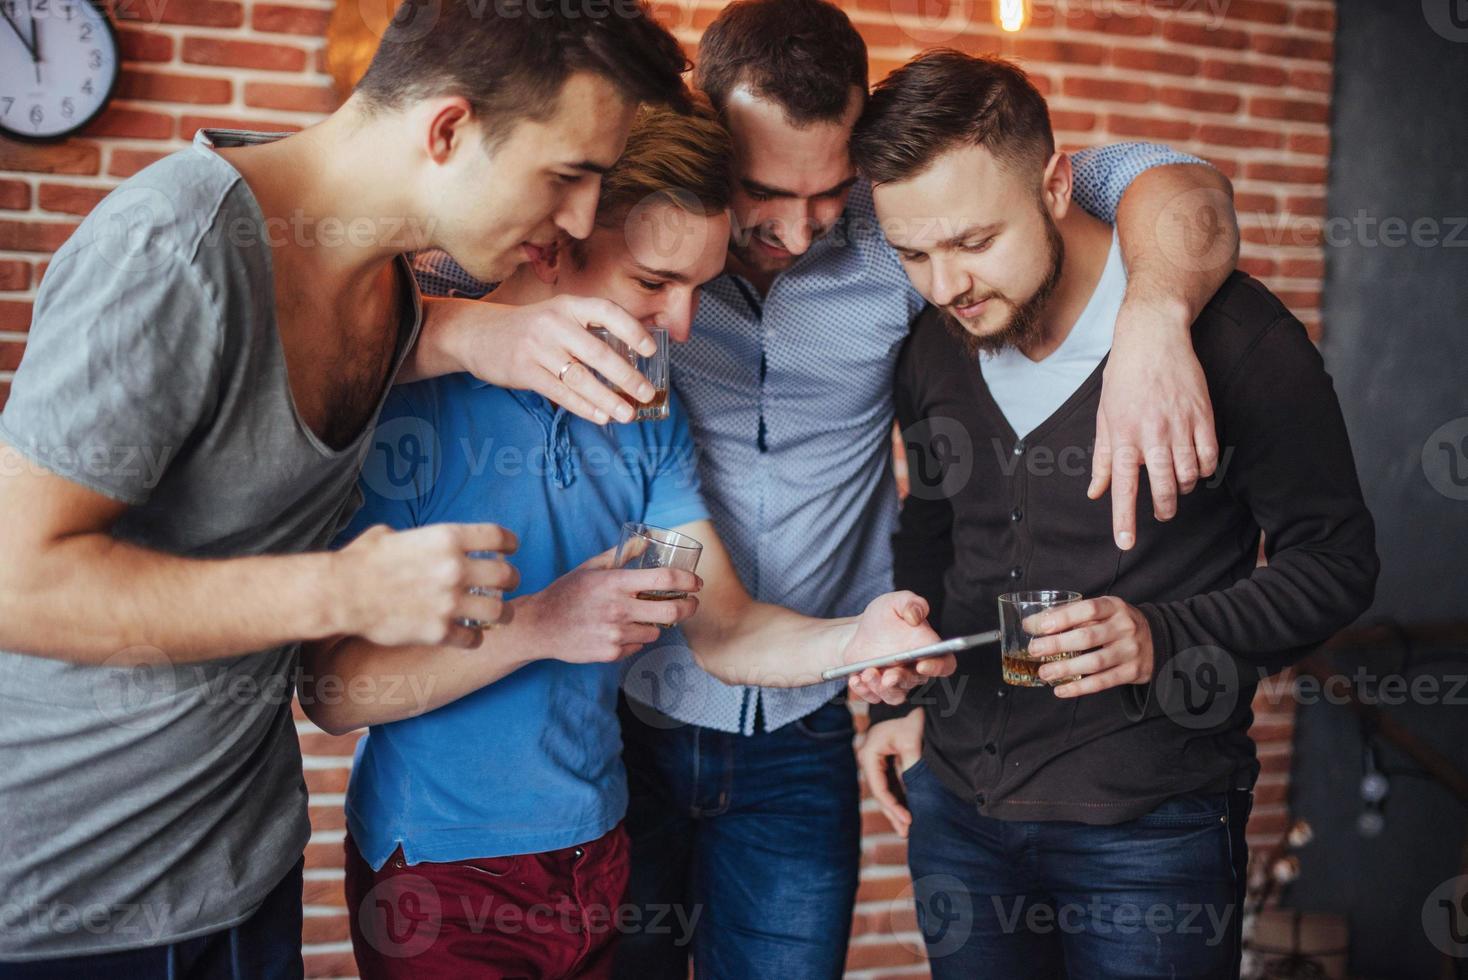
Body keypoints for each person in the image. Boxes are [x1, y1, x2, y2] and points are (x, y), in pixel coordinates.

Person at [0, 1, 691, 974]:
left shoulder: (384, 281)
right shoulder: (172, 253)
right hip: (82, 894)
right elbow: (14, 580)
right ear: (449, 128)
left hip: (244, 856)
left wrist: (480, 333)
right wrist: (343, 590)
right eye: (567, 175)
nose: (580, 218)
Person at [613, 2, 1246, 977]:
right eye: (761, 193)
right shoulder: (633, 230)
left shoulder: (906, 239)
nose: (792, 229)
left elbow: (1182, 187)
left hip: (810, 714)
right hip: (625, 717)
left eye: (825, 194)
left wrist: (1157, 317)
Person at [297, 98, 948, 980]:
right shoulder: (413, 402)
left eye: (698, 288)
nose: (681, 326)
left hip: (600, 850)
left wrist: (855, 639)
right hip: (441, 867)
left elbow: (723, 625)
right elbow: (333, 690)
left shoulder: (647, 413)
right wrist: (539, 624)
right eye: (653, 283)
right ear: (553, 241)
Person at [853, 50, 1378, 978]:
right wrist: (910, 691)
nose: (944, 286)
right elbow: (930, 531)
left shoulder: (1234, 339)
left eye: (974, 242)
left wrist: (1162, 637)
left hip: (1153, 835)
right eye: (913, 252)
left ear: (1058, 185)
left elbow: (1336, 564)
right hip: (959, 819)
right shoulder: (931, 346)